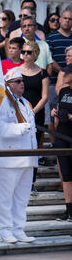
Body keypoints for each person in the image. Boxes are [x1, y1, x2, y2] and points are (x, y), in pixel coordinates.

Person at [0, 67, 37, 243]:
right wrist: (19, 129)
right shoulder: (2, 102)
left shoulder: (25, 103)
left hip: (27, 157)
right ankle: (4, 230)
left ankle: (19, 229)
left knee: (21, 198)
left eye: (22, 81)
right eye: (18, 81)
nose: (22, 84)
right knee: (6, 198)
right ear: (9, 84)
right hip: (9, 157)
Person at [20, 40, 49, 192]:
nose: (25, 55)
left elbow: (44, 97)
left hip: (36, 113)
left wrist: (32, 111)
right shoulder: (16, 70)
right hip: (18, 113)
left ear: (36, 54)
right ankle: (20, 180)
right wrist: (21, 111)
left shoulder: (43, 72)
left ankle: (32, 182)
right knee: (19, 147)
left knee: (34, 147)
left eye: (29, 52)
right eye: (23, 52)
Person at [46, 7, 72, 141]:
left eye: (70, 19)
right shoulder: (51, 37)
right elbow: (49, 58)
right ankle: (55, 146)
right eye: (65, 18)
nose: (67, 21)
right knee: (54, 117)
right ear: (60, 19)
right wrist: (65, 70)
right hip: (54, 81)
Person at [51, 64, 72, 221]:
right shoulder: (64, 91)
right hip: (62, 135)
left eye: (66, 74)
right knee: (66, 175)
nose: (63, 76)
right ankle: (69, 209)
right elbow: (59, 107)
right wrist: (55, 113)